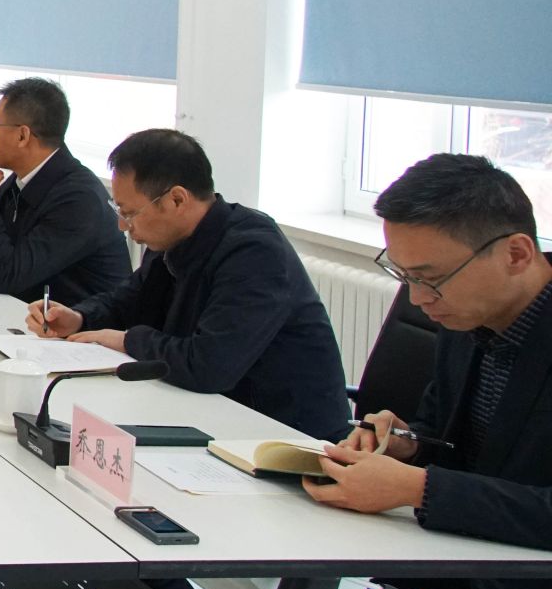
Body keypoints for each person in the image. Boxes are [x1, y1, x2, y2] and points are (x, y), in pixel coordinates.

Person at [295, 154, 552, 589]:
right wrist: (406, 444)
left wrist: (418, 487)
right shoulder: (467, 318)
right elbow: (449, 434)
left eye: (430, 278)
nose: (417, 299)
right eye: (403, 275)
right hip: (447, 557)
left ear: (517, 254)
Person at [24, 128, 348, 440]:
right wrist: (80, 317)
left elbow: (209, 364)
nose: (122, 225)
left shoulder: (254, 252)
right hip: (210, 415)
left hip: (286, 437)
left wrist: (126, 341)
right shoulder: (170, 240)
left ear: (177, 200)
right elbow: (129, 299)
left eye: (130, 212)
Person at [0, 77, 129, 304]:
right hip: (28, 317)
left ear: (22, 135)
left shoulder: (79, 200)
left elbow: (9, 277)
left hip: (81, 324)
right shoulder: (19, 181)